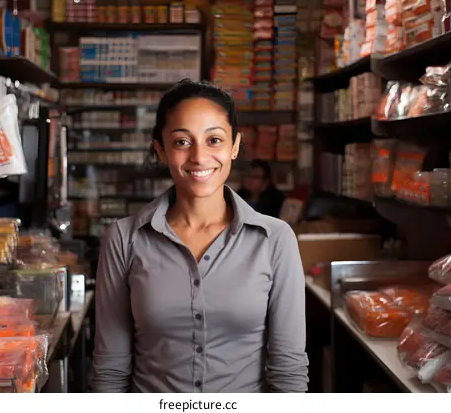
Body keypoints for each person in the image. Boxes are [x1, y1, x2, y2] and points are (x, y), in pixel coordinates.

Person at [93, 79, 308, 393]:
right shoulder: (123, 239)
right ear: (161, 149)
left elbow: (288, 371)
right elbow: (111, 368)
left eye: (214, 140)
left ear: (235, 145)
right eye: (182, 142)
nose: (198, 156)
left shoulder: (275, 239)